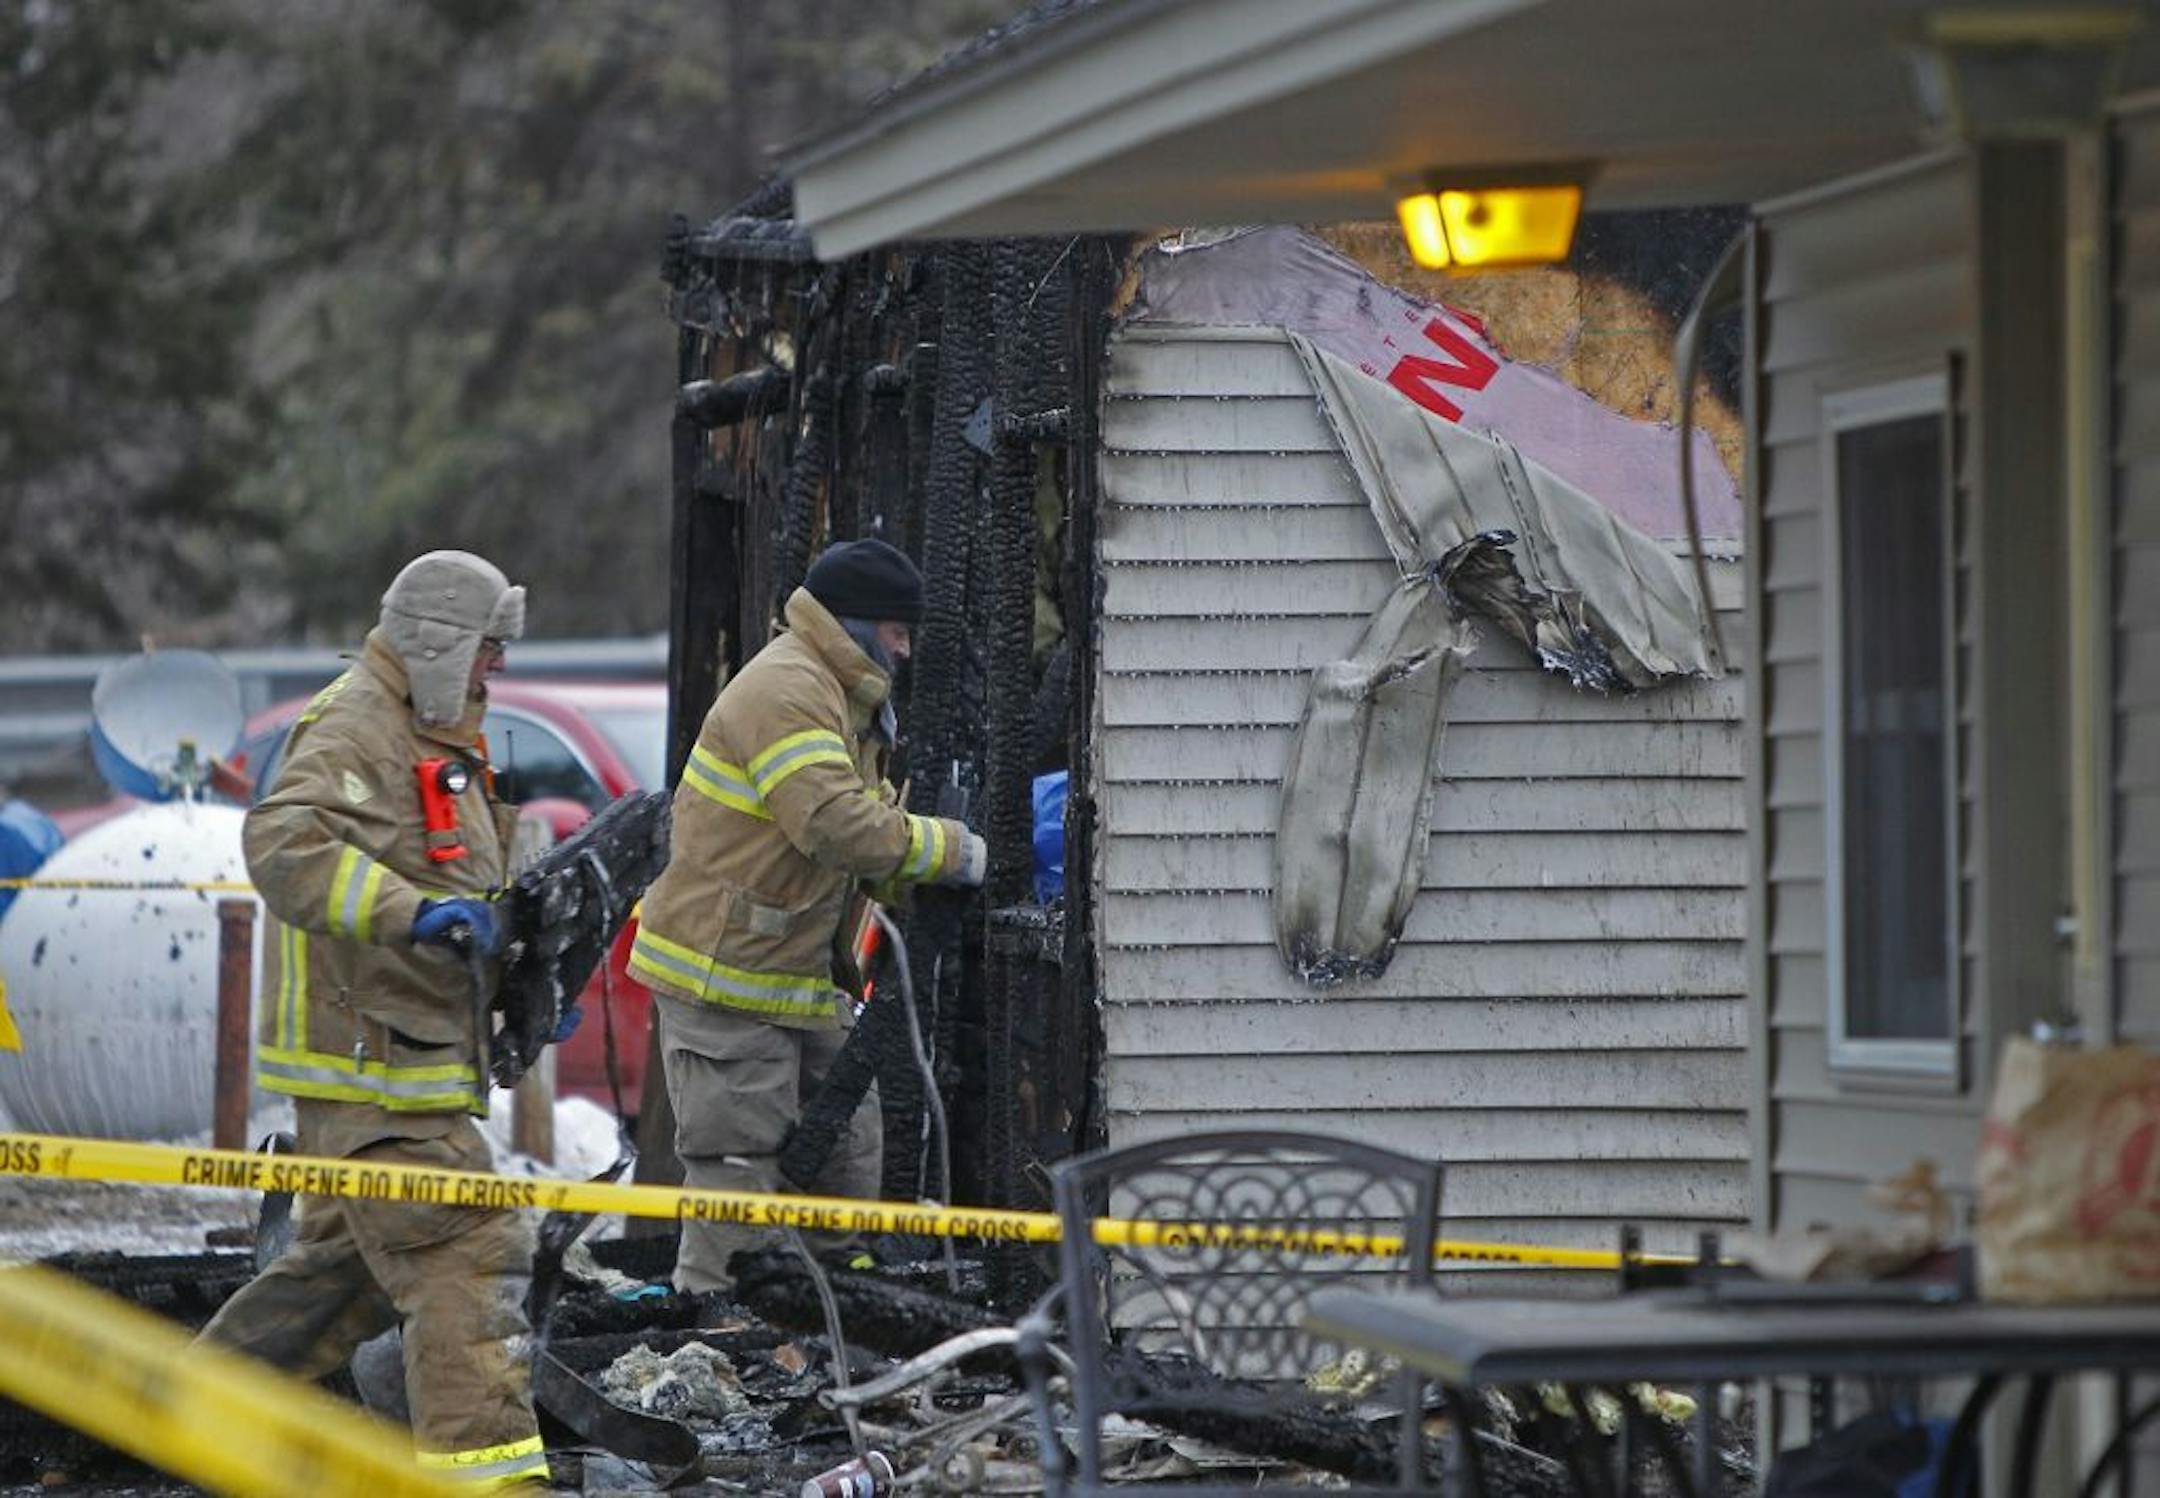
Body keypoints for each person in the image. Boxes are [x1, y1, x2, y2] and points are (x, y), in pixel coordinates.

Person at [200, 550, 548, 1491]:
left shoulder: (430, 728)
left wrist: (522, 965)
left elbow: (452, 873)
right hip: (372, 1068)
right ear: (440, 641)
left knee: (339, 1279)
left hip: (397, 1061)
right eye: (488, 646)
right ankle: (494, 1481)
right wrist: (411, 913)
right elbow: (284, 842)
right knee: (466, 1249)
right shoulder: (358, 725)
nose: (498, 666)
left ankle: (172, 1411)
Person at [632, 537, 985, 1292]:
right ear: (853, 624)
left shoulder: (839, 696)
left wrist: (902, 880)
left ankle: (827, 1312)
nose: (906, 650)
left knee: (844, 1145)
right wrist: (951, 852)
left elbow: (850, 835)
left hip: (790, 975)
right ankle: (718, 1331)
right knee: (738, 1173)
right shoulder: (788, 688)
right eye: (897, 631)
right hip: (725, 978)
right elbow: (833, 824)